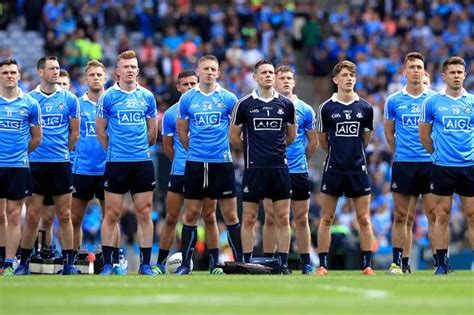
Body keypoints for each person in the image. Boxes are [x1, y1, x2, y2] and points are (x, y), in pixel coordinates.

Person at [175, 55, 243, 274]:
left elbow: (236, 131)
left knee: (230, 215)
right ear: (198, 71)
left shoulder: (229, 98)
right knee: (192, 213)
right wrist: (196, 150)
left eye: (213, 69)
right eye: (205, 69)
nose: (210, 72)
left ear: (219, 73)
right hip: (195, 162)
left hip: (221, 162)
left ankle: (236, 262)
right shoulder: (187, 99)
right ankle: (186, 264)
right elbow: (182, 132)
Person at [230, 60, 297, 274]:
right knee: (249, 218)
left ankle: (283, 263)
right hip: (254, 170)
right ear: (255, 77)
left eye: (271, 72)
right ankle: (247, 262)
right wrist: (253, 152)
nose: (268, 76)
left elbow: (291, 136)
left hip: (279, 169)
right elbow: (234, 137)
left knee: (283, 218)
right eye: (264, 73)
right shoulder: (244, 104)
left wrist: (273, 151)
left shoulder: (286, 105)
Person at [15, 56, 79, 275]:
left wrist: (62, 152)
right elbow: (28, 134)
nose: (56, 72)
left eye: (58, 68)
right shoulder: (30, 100)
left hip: (60, 163)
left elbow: (75, 133)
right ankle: (23, 263)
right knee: (33, 216)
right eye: (51, 68)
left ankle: (69, 263)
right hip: (35, 164)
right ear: (40, 72)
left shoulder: (70, 99)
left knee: (65, 215)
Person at [153, 70, 221, 274]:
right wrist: (186, 166)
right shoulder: (171, 114)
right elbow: (167, 147)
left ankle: (215, 264)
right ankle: (160, 263)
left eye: (193, 83)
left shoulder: (208, 107)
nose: (190, 87)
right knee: (172, 217)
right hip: (181, 171)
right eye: (186, 84)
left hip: (207, 168)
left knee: (209, 216)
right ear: (178, 87)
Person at [96, 50, 157, 275]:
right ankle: (108, 264)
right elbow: (100, 131)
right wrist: (116, 151)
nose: (130, 70)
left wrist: (138, 149)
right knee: (111, 214)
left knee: (144, 212)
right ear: (117, 71)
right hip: (116, 163)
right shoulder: (108, 97)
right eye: (126, 67)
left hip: (141, 162)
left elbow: (152, 132)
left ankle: (145, 264)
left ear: (138, 71)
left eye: (133, 67)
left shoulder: (147, 97)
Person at [316, 60, 376, 276]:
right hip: (333, 169)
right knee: (326, 218)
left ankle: (367, 265)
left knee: (364, 218)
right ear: (335, 80)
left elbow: (366, 139)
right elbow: (322, 141)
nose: (349, 79)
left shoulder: (365, 108)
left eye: (352, 75)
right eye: (344, 75)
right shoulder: (326, 108)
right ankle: (322, 265)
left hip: (357, 170)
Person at [419, 56, 474, 275]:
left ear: (465, 75)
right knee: (442, 215)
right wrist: (437, 154)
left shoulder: (471, 102)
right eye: (452, 72)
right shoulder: (432, 102)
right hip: (442, 167)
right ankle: (442, 263)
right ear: (444, 76)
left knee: (472, 215)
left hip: (469, 165)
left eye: (460, 72)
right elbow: (424, 135)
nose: (457, 76)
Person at [261, 65, 317, 274]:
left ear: (294, 82)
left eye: (289, 78)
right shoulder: (269, 106)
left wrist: (301, 159)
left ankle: (306, 262)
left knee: (301, 218)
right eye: (281, 77)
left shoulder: (306, 109)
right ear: (275, 81)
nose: (285, 81)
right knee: (271, 217)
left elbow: (313, 143)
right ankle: (268, 262)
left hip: (296, 171)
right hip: (273, 169)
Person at [384, 52, 436, 274]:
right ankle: (399, 263)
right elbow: (388, 133)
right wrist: (401, 153)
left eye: (419, 67)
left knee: (436, 215)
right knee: (402, 216)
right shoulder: (394, 100)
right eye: (412, 67)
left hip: (431, 164)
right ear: (404, 72)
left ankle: (440, 262)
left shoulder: (434, 99)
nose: (416, 70)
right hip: (404, 164)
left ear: (424, 72)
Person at [70, 60, 122, 267]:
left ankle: (114, 261)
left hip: (108, 168)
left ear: (106, 78)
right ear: (85, 79)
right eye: (92, 75)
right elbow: (71, 135)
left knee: (111, 217)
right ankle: (71, 262)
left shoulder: (113, 102)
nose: (96, 78)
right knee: (74, 219)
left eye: (99, 75)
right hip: (82, 168)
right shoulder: (76, 104)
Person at [0, 59, 42, 276]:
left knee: (14, 214)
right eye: (5, 72)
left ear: (18, 75)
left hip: (17, 166)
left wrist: (19, 153)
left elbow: (37, 138)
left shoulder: (30, 103)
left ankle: (8, 263)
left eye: (12, 72)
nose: (9, 75)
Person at [37, 68, 72, 258]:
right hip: (41, 164)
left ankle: (70, 258)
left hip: (66, 166)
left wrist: (64, 151)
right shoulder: (35, 100)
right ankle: (44, 251)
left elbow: (75, 135)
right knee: (45, 217)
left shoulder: (71, 103)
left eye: (65, 84)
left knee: (69, 216)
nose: (62, 86)